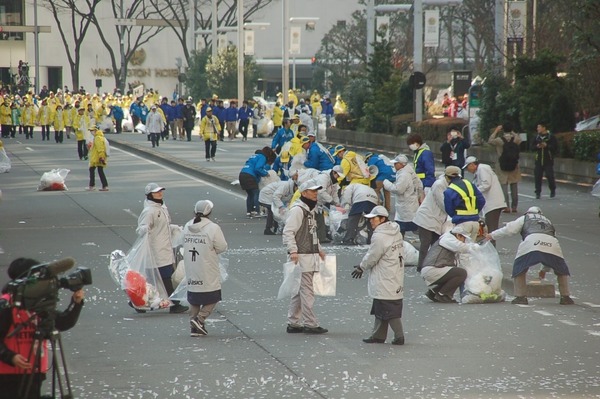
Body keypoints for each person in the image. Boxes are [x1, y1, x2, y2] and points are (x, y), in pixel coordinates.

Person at [0, 257, 85, 399]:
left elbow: (63, 322)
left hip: (34, 372)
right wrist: (11, 357)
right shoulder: (7, 304)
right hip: (7, 374)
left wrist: (76, 303)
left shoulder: (39, 304)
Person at [486, 206, 574, 305]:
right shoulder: (548, 221)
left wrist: (492, 235)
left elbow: (509, 230)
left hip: (531, 242)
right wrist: (544, 270)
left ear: (527, 212)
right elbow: (548, 250)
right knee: (561, 269)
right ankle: (566, 297)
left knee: (519, 268)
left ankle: (521, 297)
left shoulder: (525, 218)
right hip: (552, 243)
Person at [350, 206, 405, 345]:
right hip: (394, 273)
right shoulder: (395, 231)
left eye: (373, 219)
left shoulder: (380, 236)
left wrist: (361, 267)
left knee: (388, 307)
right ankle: (378, 336)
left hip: (385, 275)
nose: (371, 222)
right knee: (381, 306)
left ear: (382, 219)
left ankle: (399, 336)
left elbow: (373, 255)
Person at [282, 180, 328, 334]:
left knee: (299, 290)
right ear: (303, 193)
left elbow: (312, 233)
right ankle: (311, 323)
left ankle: (294, 322)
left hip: (308, 255)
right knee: (307, 290)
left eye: (316, 191)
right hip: (302, 256)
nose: (315, 194)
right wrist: (293, 251)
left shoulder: (309, 209)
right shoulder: (298, 210)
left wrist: (319, 249)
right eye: (312, 191)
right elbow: (288, 232)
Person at [136, 183, 189, 314]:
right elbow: (141, 228)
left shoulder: (162, 208)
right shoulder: (149, 211)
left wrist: (172, 229)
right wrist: (144, 229)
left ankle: (137, 302)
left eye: (160, 191)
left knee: (154, 278)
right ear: (149, 195)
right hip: (155, 249)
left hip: (165, 247)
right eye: (156, 192)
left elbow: (161, 227)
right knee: (165, 276)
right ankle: (174, 304)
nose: (160, 193)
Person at [183, 200, 228, 336]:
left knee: (194, 295)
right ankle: (200, 318)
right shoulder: (213, 228)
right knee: (213, 295)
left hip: (191, 265)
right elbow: (222, 247)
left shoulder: (188, 225)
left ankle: (194, 326)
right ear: (209, 212)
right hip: (207, 265)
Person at [420, 225, 472, 303]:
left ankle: (434, 292)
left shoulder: (448, 238)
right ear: (458, 235)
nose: (464, 241)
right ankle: (443, 295)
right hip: (432, 269)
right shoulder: (448, 239)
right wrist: (476, 248)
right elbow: (462, 248)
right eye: (464, 238)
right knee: (461, 273)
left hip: (434, 269)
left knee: (456, 272)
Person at [462, 156, 506, 245]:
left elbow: (486, 184)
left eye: (468, 167)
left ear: (472, 164)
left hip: (493, 203)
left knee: (491, 228)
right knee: (490, 227)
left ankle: (491, 248)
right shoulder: (480, 170)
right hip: (491, 203)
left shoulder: (483, 168)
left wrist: (474, 192)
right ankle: (490, 246)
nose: (467, 169)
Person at [413, 171, 450, 271]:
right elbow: (443, 204)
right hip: (426, 218)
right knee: (425, 243)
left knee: (435, 244)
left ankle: (431, 265)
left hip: (435, 219)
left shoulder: (447, 186)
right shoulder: (439, 185)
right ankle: (421, 267)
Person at [383, 154, 424, 236]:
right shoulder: (410, 171)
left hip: (405, 205)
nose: (394, 165)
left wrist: (386, 183)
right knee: (411, 226)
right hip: (411, 202)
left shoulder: (404, 175)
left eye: (396, 163)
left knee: (402, 227)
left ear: (402, 164)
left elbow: (398, 189)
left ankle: (399, 244)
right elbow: (420, 185)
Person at [443, 164, 486, 242]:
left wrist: (456, 215)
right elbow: (481, 200)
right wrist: (474, 211)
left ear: (447, 177)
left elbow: (449, 209)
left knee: (461, 251)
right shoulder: (470, 184)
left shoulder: (449, 190)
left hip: (461, 223)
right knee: (471, 249)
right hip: (475, 222)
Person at [488, 123, 522, 212]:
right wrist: (512, 132)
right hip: (514, 165)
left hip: (502, 165)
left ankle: (506, 206)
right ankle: (514, 206)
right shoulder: (515, 139)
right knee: (514, 185)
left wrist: (496, 130)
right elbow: (520, 139)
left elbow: (490, 140)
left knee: (504, 186)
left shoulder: (499, 140)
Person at [239, 147, 276, 217]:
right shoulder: (262, 157)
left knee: (250, 194)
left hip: (242, 174)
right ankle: (257, 211)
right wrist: (265, 173)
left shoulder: (255, 156)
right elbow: (258, 168)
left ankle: (249, 211)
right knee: (256, 193)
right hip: (249, 175)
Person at [532, 121, 557, 199]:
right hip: (538, 160)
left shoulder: (551, 137)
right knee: (537, 176)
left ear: (544, 128)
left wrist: (547, 146)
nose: (537, 129)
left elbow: (555, 148)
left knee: (550, 176)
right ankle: (538, 192)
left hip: (548, 160)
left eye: (539, 127)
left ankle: (552, 189)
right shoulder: (536, 137)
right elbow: (531, 147)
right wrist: (537, 146)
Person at [85, 127, 109, 191]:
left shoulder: (97, 138)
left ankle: (92, 186)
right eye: (90, 131)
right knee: (99, 171)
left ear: (95, 130)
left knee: (92, 170)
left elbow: (100, 148)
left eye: (92, 130)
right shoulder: (99, 137)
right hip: (98, 157)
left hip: (97, 158)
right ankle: (104, 186)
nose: (91, 132)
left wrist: (101, 157)